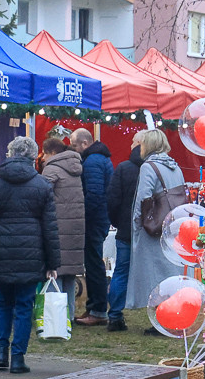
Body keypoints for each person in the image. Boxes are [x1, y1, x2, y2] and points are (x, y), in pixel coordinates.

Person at [0, 137, 60, 374]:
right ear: (34, 157)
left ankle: (0, 352)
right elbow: (50, 227)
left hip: (1, 248)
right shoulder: (42, 184)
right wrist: (53, 263)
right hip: (32, 251)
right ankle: (18, 357)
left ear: (10, 153)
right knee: (24, 305)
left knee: (4, 303)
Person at [126, 130, 185, 329]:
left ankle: (162, 321)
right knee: (169, 273)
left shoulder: (148, 167)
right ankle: (173, 316)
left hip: (153, 228)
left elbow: (143, 199)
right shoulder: (175, 167)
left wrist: (136, 224)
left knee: (153, 275)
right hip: (172, 225)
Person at [69, 128, 113, 327]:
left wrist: (82, 215)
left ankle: (97, 310)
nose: (74, 149)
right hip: (100, 218)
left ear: (84, 144)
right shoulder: (99, 158)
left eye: (75, 145)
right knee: (94, 263)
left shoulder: (93, 161)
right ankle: (95, 307)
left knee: (94, 264)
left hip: (94, 219)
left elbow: (94, 195)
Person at [39, 138, 85, 325]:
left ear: (51, 153)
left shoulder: (51, 169)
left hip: (56, 226)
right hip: (75, 228)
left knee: (54, 272)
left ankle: (54, 320)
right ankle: (69, 317)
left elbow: (41, 197)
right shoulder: (76, 169)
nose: (42, 158)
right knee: (69, 275)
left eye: (44, 153)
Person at [105, 131, 146, 332]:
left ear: (140, 143)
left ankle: (115, 316)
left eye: (133, 141)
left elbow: (112, 200)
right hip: (150, 232)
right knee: (152, 274)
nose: (130, 144)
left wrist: (118, 221)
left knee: (121, 271)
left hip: (126, 230)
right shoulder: (156, 169)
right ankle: (157, 319)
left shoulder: (123, 168)